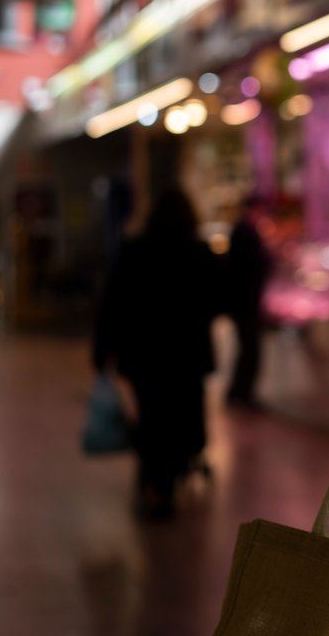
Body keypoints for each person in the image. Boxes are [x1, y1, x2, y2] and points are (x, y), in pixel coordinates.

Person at [94, 189, 223, 518]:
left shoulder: (136, 249)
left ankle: (154, 476)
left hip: (145, 354)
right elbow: (218, 300)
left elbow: (114, 302)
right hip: (187, 355)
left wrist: (102, 349)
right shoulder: (199, 251)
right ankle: (171, 476)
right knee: (182, 414)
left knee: (152, 415)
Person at [225, 197, 272, 408]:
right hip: (246, 304)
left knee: (246, 350)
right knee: (250, 351)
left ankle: (238, 392)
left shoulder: (240, 231)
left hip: (241, 302)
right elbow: (255, 266)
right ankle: (242, 394)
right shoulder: (246, 233)